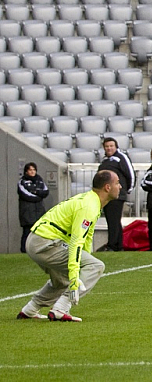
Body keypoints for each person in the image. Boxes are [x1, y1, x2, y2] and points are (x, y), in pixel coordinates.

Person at [17, 170, 122, 322]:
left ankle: (30, 310)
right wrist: (75, 277)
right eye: (117, 183)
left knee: (61, 281)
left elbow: (87, 238)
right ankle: (61, 308)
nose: (120, 186)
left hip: (37, 239)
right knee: (96, 266)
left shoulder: (91, 201)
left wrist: (81, 263)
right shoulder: (89, 206)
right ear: (107, 187)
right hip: (45, 242)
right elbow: (76, 242)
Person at [97, 137, 135, 251]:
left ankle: (112, 245)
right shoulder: (104, 160)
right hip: (106, 195)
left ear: (116, 147)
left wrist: (127, 190)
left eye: (111, 146)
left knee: (113, 219)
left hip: (117, 194)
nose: (109, 148)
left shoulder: (121, 158)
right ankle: (118, 245)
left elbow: (130, 174)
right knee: (112, 219)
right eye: (107, 146)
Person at [17, 162, 50, 253]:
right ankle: (24, 250)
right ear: (26, 171)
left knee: (39, 231)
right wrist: (38, 195)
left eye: (34, 170)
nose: (32, 172)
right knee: (27, 232)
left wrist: (35, 192)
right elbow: (26, 195)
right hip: (27, 211)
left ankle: (38, 250)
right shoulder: (22, 181)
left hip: (39, 210)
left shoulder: (39, 180)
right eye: (30, 170)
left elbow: (45, 192)